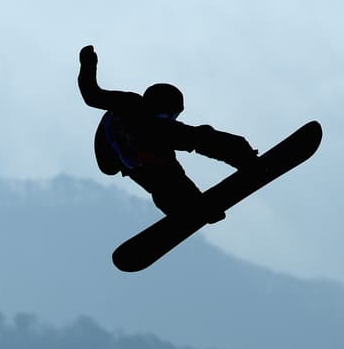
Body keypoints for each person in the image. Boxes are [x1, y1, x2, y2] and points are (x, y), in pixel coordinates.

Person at [77, 44, 258, 222]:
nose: (172, 118)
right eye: (172, 113)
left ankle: (185, 205)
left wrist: (201, 206)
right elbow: (92, 95)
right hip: (127, 149)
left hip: (131, 159)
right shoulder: (132, 103)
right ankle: (240, 156)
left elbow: (170, 173)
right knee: (195, 138)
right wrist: (88, 64)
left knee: (163, 174)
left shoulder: (152, 132)